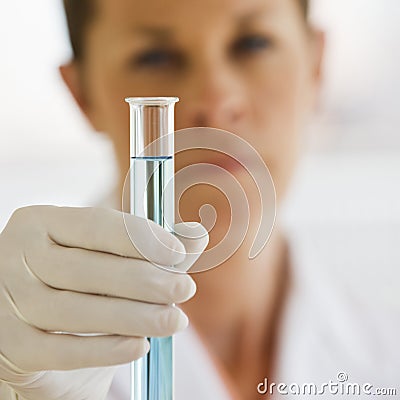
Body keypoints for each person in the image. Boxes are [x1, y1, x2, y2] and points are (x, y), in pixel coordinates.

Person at [1, 0, 399, 399]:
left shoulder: (386, 348)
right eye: (154, 56)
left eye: (253, 43)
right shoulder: (22, 354)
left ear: (316, 66)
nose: (215, 99)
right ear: (81, 94)